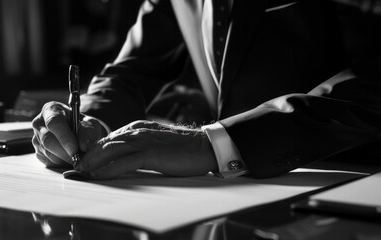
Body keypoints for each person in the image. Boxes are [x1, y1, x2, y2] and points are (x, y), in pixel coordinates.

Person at [32, 0, 381, 180]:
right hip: (231, 196)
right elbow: (132, 70)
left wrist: (215, 144)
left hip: (353, 182)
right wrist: (90, 119)